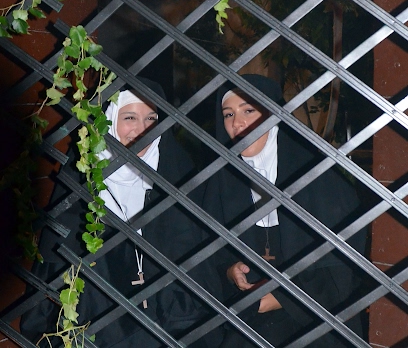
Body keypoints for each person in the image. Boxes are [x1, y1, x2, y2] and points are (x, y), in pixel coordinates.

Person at [20, 78, 207, 347]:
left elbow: (193, 261)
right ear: (109, 120)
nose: (141, 130)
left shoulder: (177, 172)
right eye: (130, 117)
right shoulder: (83, 177)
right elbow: (57, 264)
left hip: (167, 327)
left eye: (151, 118)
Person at [200, 73, 366, 347]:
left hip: (315, 323)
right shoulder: (221, 183)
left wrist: (282, 298)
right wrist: (230, 271)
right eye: (228, 114)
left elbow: (341, 272)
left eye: (248, 111)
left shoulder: (318, 179)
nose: (237, 123)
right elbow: (208, 258)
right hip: (248, 320)